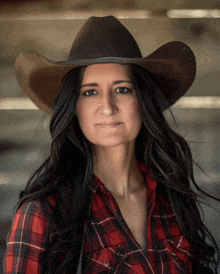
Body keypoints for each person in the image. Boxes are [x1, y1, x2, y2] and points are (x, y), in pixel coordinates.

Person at [3, 16, 220, 274]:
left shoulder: (172, 201)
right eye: (90, 92)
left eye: (122, 89)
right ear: (74, 108)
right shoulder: (43, 214)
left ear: (143, 100)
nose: (107, 107)